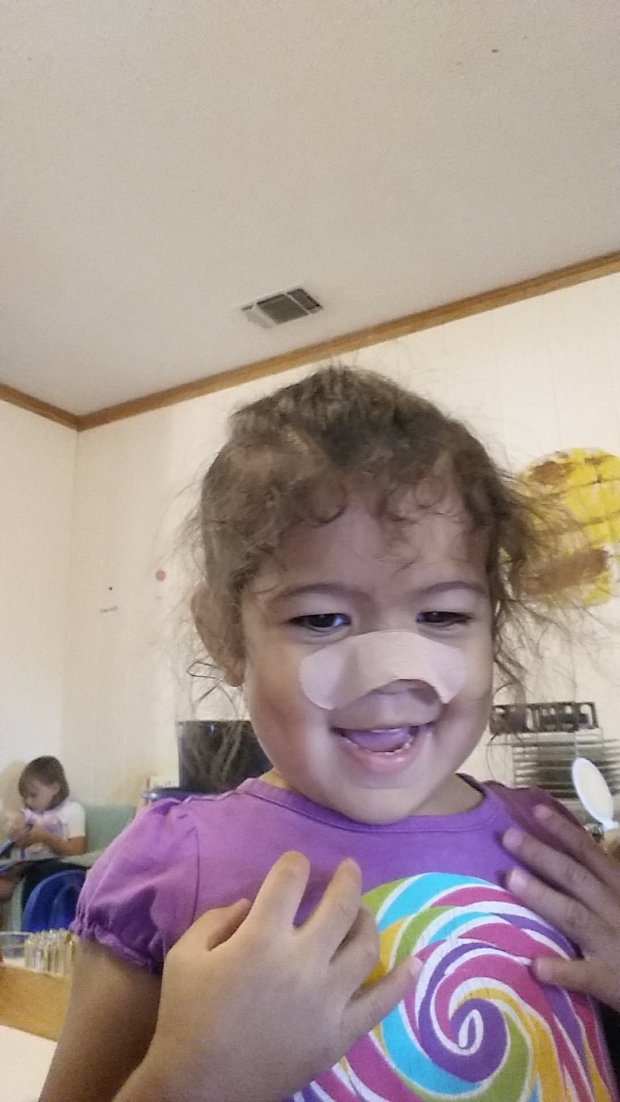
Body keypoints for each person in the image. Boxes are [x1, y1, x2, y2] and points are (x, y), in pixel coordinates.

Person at [41, 366, 620, 1101]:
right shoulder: (169, 866)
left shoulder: (554, 848)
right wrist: (196, 1079)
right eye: (321, 619)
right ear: (226, 636)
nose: (391, 674)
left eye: (443, 616)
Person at [0, 756, 86, 905]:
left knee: (37, 873)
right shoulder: (30, 813)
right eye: (25, 796)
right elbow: (16, 822)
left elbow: (77, 851)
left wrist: (46, 837)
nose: (28, 801)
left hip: (51, 868)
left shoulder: (72, 810)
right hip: (22, 868)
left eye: (33, 795)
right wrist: (14, 827)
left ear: (55, 788)